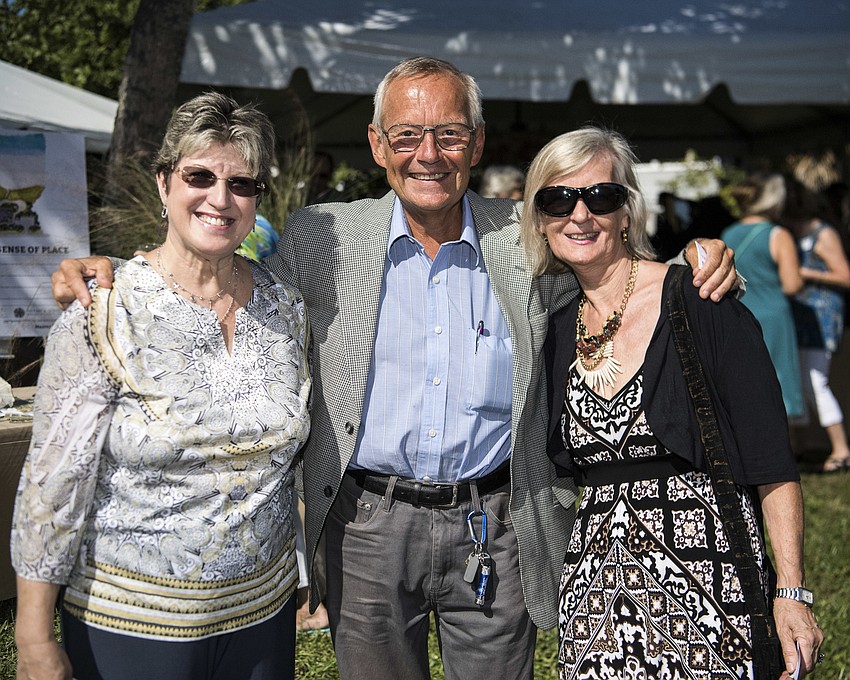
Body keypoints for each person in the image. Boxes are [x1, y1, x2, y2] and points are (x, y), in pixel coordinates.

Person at [50, 58, 738, 680]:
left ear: (477, 142)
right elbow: (230, 273)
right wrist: (125, 269)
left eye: (448, 134)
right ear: (379, 145)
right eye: (406, 136)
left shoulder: (524, 235)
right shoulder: (324, 233)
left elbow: (610, 270)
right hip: (367, 527)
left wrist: (692, 261)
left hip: (492, 522)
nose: (428, 155)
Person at [12, 92, 311, 680]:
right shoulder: (102, 313)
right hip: (129, 626)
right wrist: (33, 637)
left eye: (242, 183)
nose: (220, 198)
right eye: (199, 176)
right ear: (163, 183)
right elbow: (51, 485)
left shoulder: (286, 304)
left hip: (262, 619)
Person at [522, 127, 823, 678]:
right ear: (539, 218)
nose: (580, 214)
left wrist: (792, 591)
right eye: (558, 199)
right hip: (595, 605)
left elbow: (771, 460)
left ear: (627, 212)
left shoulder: (701, 299)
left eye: (601, 196)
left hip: (710, 593)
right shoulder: (557, 326)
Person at [721, 173, 806, 419]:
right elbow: (792, 285)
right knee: (780, 384)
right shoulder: (777, 234)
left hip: (742, 313)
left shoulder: (729, 232)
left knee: (750, 382)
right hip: (774, 316)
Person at [785, 178, 850, 471]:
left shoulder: (823, 234)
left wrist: (803, 273)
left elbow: (844, 276)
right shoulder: (789, 233)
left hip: (822, 319)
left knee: (816, 383)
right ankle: (797, 447)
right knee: (797, 382)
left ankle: (841, 449)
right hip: (797, 318)